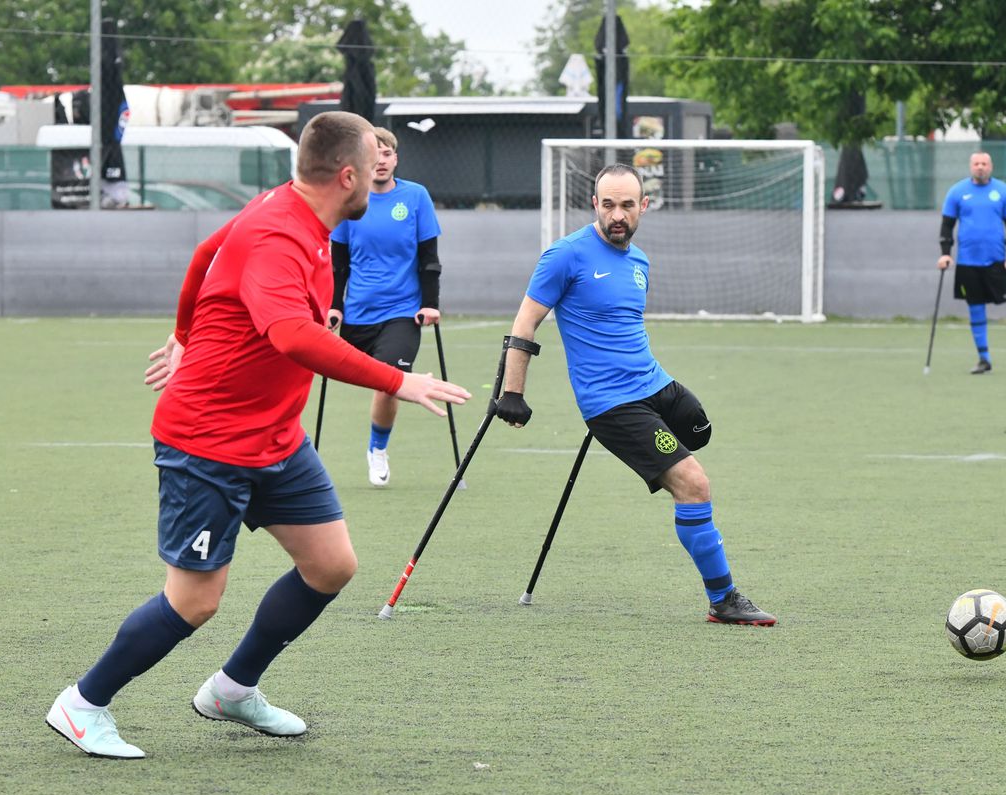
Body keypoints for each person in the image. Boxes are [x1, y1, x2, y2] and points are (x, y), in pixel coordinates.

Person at [45, 111, 470, 760]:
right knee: (195, 600)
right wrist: (399, 381)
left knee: (331, 565)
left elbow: (205, 254)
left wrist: (186, 334)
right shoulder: (280, 231)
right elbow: (293, 335)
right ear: (349, 176)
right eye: (374, 168)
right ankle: (83, 703)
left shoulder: (300, 212)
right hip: (207, 440)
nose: (385, 177)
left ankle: (233, 688)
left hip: (273, 436)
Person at [494, 163, 776, 627]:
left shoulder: (640, 261)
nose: (617, 215)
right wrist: (512, 392)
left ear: (643, 206)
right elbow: (524, 324)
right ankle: (723, 599)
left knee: (700, 431)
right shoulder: (564, 256)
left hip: (654, 384)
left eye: (627, 205)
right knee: (694, 483)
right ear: (595, 205)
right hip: (612, 404)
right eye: (608, 205)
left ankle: (706, 557)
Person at [328, 127, 442, 488]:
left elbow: (429, 259)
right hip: (358, 313)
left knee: (389, 380)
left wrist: (430, 304)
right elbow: (338, 263)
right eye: (373, 154)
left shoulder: (415, 197)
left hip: (401, 313)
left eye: (387, 153)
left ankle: (377, 450)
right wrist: (334, 306)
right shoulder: (349, 200)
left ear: (396, 158)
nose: (380, 160)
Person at [937, 151, 1006, 374]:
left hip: (995, 260)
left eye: (984, 163)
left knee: (997, 305)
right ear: (970, 166)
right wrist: (945, 253)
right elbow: (947, 226)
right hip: (967, 262)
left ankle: (989, 356)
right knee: (975, 307)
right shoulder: (957, 192)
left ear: (991, 167)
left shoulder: (1003, 192)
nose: (980, 167)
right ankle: (984, 358)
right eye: (976, 164)